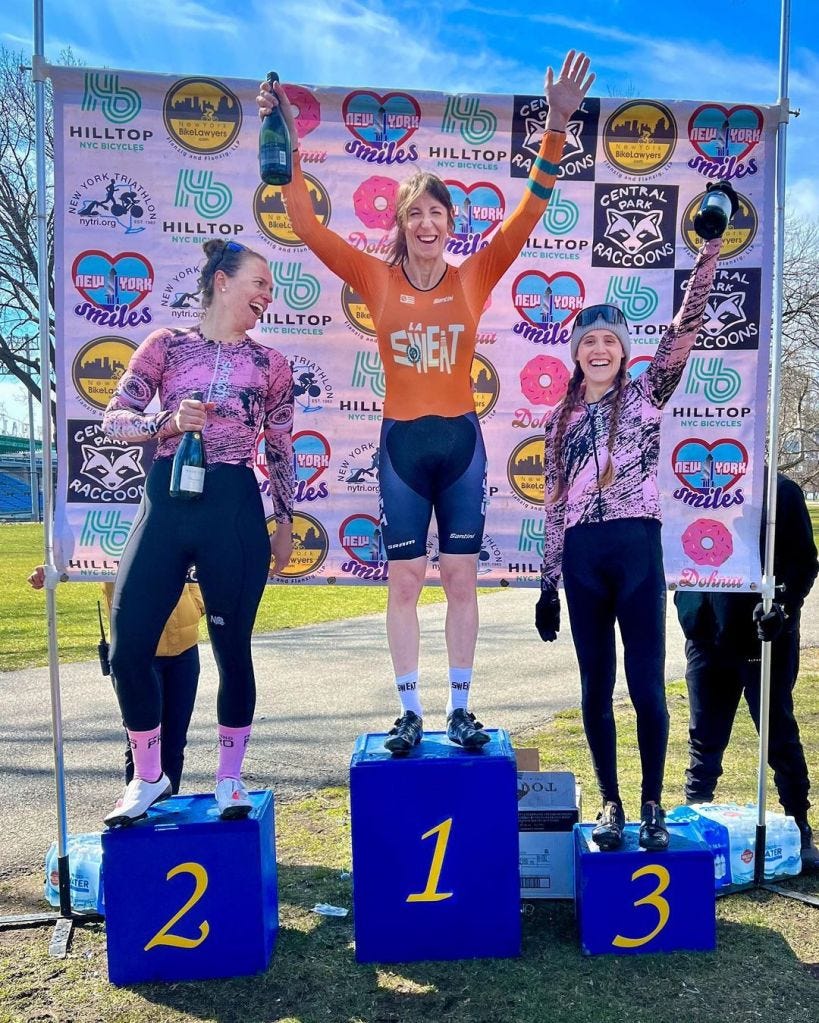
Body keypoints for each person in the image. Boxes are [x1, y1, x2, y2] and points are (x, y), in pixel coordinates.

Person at [259, 52, 595, 754]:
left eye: (435, 212)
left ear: (450, 221)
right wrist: (284, 139)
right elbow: (304, 223)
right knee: (407, 577)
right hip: (402, 447)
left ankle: (461, 709)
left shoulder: (474, 275)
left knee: (460, 577)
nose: (425, 222)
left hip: (462, 445)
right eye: (414, 213)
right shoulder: (374, 279)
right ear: (401, 223)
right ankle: (409, 709)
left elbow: (531, 210)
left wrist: (557, 123)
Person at [535, 196, 734, 851]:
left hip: (637, 550)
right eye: (587, 341)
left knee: (646, 685)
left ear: (623, 352)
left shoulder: (648, 394)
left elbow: (685, 325)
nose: (598, 349)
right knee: (594, 687)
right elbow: (553, 503)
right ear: (575, 353)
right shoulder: (557, 420)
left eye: (608, 341)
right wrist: (545, 583)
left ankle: (651, 802)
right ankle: (612, 803)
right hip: (582, 561)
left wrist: (706, 250)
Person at [100, 238, 295, 826]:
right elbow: (114, 419)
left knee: (232, 652)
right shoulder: (166, 345)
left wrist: (284, 520)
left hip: (233, 509)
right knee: (129, 649)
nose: (267, 295)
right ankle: (149, 776)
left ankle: (230, 779)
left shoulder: (271, 365)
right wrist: (164, 420)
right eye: (259, 282)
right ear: (222, 281)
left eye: (271, 287)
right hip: (167, 502)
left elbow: (281, 449)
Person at [674, 472, 819, 871]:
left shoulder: (781, 491)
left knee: (779, 737)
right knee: (704, 739)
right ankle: (693, 824)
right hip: (706, 634)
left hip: (764, 638)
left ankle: (800, 826)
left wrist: (784, 605)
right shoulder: (686, 486)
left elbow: (805, 563)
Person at [27, 568, 204, 794]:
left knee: (174, 741)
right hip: (136, 650)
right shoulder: (114, 534)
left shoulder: (177, 530)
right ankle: (139, 813)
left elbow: (194, 565)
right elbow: (73, 548)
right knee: (140, 743)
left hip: (184, 649)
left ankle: (168, 807)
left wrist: (197, 604)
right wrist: (48, 567)